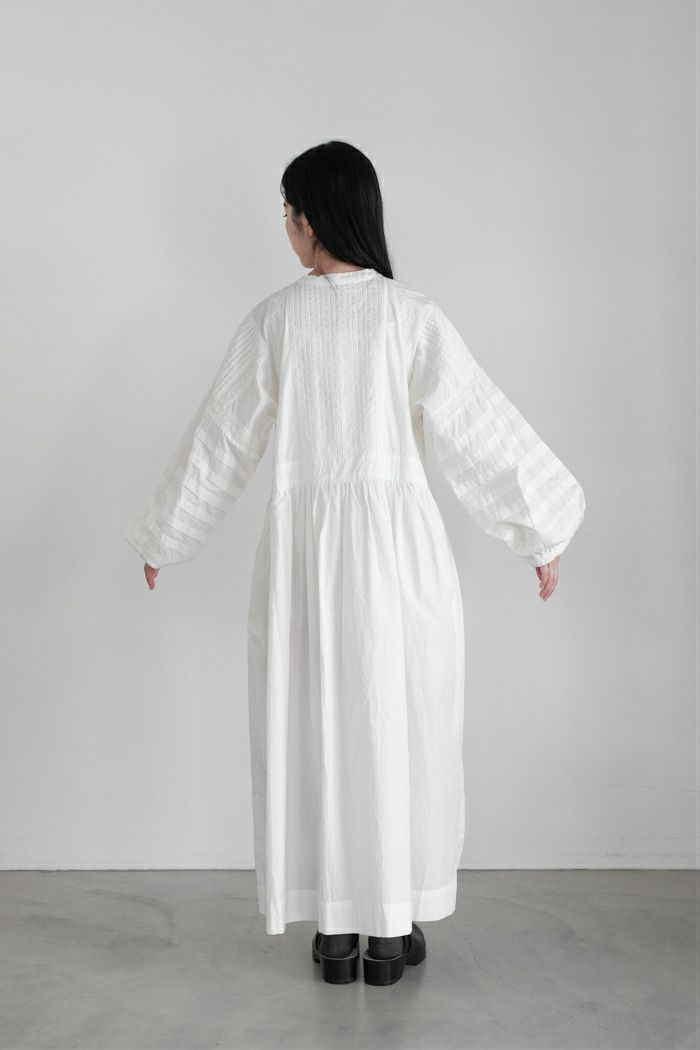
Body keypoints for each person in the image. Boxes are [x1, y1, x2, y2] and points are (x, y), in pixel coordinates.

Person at [121, 140, 585, 987]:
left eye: (288, 213)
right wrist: (541, 530)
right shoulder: (411, 316)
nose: (286, 228)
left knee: (314, 729)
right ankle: (390, 929)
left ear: (310, 220)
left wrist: (166, 536)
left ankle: (335, 931)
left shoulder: (276, 321)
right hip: (398, 561)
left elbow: (222, 441)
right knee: (399, 728)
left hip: (304, 565)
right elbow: (479, 428)